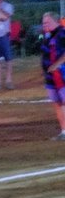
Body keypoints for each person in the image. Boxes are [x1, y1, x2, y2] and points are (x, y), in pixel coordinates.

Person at [39, 12, 65, 140]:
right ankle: (64, 131)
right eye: (43, 23)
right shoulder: (47, 36)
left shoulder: (62, 34)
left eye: (47, 22)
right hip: (51, 77)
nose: (44, 25)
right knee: (57, 103)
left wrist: (57, 65)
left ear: (55, 21)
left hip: (62, 75)